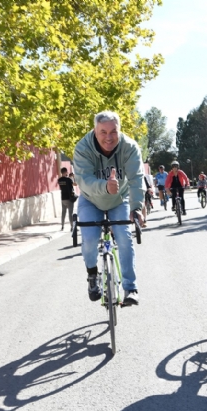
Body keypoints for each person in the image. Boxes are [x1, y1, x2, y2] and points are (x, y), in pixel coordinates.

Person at [72, 110, 145, 305]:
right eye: (103, 132)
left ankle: (131, 288)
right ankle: (92, 275)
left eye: (113, 131)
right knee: (88, 239)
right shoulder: (83, 148)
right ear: (95, 131)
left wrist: (137, 207)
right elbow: (84, 180)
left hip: (118, 200)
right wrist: (104, 186)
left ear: (119, 130)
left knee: (124, 237)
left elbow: (137, 178)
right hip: (90, 199)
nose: (108, 137)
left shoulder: (129, 147)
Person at [57, 166, 77, 231]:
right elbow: (75, 184)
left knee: (63, 213)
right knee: (70, 213)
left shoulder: (59, 180)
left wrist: (69, 177)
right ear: (65, 172)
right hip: (69, 198)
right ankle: (72, 227)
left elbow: (64, 185)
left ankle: (62, 226)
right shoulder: (69, 180)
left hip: (63, 198)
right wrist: (73, 177)